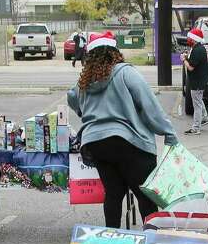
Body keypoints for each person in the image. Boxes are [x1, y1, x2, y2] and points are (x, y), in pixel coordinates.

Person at [67, 31, 179, 228]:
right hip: (128, 142)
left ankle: (113, 238)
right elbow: (149, 106)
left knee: (113, 193)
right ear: (114, 52)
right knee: (145, 196)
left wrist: (84, 112)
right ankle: (152, 240)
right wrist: (168, 132)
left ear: (91, 56)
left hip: (96, 145)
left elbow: (72, 97)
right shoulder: (125, 72)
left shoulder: (84, 81)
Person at [182, 27, 208, 134]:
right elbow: (193, 62)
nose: (188, 39)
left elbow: (190, 67)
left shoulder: (198, 50)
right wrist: (187, 57)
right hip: (199, 81)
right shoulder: (198, 48)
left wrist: (184, 59)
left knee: (197, 105)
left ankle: (196, 128)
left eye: (189, 38)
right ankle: (205, 118)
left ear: (194, 39)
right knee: (199, 100)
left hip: (197, 82)